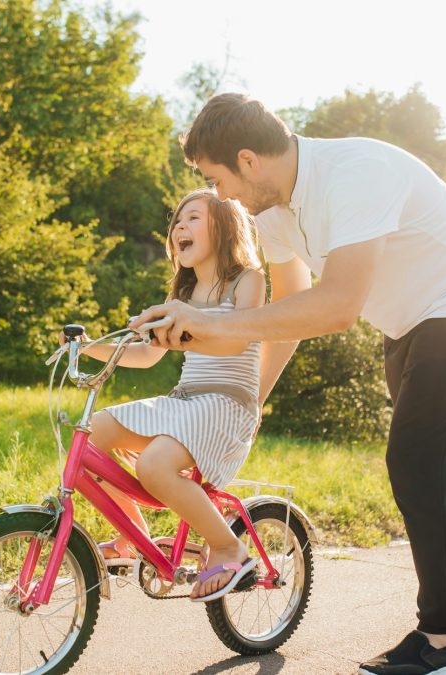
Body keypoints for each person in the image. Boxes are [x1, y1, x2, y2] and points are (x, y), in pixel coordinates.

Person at [132, 93, 446, 675]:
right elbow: (295, 308)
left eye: (217, 179)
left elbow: (337, 307)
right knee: (439, 451)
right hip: (410, 320)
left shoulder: (357, 175)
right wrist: (252, 395)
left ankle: (442, 646)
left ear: (248, 160)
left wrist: (212, 321)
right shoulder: (272, 211)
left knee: (419, 465)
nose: (219, 196)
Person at [73, 187, 267, 602]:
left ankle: (230, 546)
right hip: (186, 399)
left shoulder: (248, 281)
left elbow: (236, 342)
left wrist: (185, 337)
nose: (181, 225)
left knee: (156, 464)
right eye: (178, 219)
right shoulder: (182, 293)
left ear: (225, 227)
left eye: (193, 217)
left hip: (227, 403)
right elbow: (146, 356)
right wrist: (89, 347)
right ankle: (133, 540)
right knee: (94, 434)